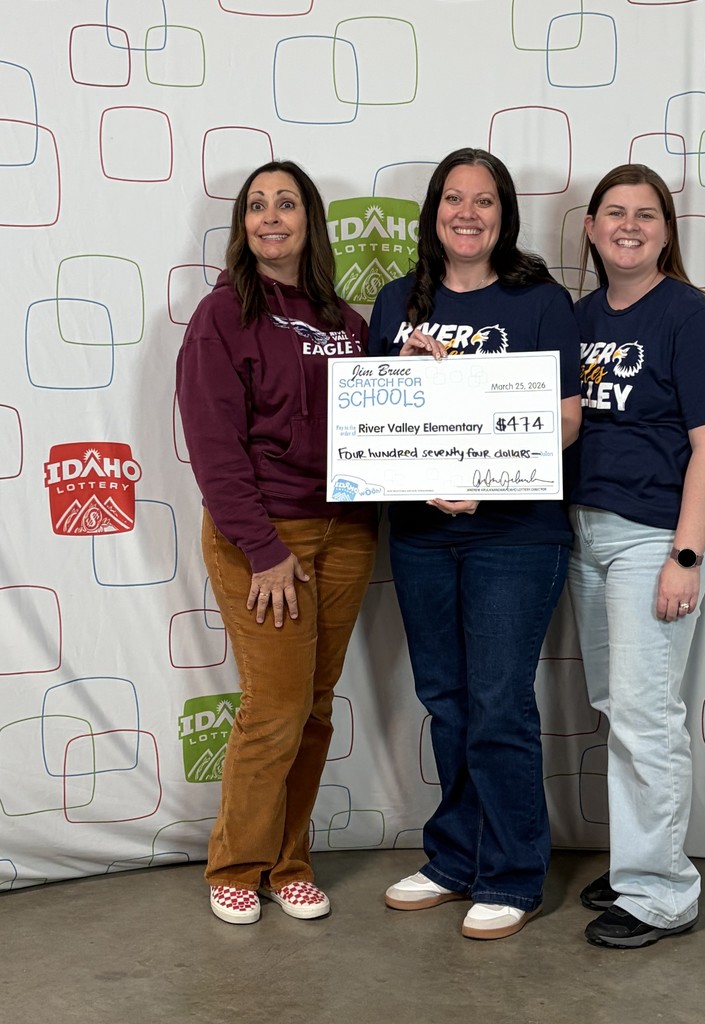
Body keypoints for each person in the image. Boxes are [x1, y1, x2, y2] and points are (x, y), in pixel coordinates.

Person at [368, 147, 582, 940]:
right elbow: (381, 419)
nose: (468, 213)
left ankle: (514, 874)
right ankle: (456, 858)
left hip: (515, 535)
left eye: (483, 200)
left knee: (497, 704)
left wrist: (487, 475)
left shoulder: (540, 302)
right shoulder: (397, 302)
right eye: (453, 199)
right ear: (433, 212)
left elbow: (565, 419)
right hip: (423, 533)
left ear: (504, 214)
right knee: (447, 703)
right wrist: (407, 376)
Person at [176, 160, 378, 925]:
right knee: (275, 705)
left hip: (348, 532)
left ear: (308, 221)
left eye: (285, 203)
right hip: (264, 537)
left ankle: (289, 861)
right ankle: (236, 862)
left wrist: (419, 379)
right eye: (256, 205)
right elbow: (214, 445)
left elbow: (370, 423)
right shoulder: (222, 315)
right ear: (242, 226)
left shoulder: (344, 322)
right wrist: (262, 549)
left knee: (316, 707)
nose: (270, 216)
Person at [567, 164, 705, 949]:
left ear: (666, 231)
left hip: (651, 538)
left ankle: (663, 893)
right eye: (615, 212)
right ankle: (645, 858)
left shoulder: (689, 317)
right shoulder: (575, 317)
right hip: (581, 533)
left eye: (646, 214)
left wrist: (686, 553)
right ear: (591, 228)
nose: (629, 225)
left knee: (646, 715)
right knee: (618, 706)